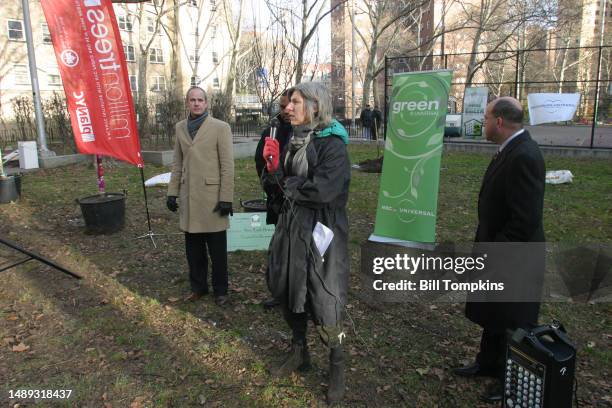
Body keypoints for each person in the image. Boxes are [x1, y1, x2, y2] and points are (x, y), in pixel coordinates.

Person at [261, 82, 351, 405]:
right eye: (289, 103)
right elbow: (283, 187)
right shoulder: (295, 139)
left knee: (325, 299)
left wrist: (288, 182)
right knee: (286, 288)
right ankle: (299, 352)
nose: (288, 107)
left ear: (315, 105)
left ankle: (336, 362)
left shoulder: (333, 145)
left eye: (295, 102)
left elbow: (323, 191)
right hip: (291, 227)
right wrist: (271, 170)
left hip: (321, 232)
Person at [453, 97, 545, 403]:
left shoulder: (524, 156)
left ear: (500, 122)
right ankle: (487, 363)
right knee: (493, 312)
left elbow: (526, 219)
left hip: (514, 256)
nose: (484, 123)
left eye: (487, 117)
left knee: (512, 320)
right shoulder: (508, 150)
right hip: (497, 247)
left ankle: (511, 381)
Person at [166, 86, 235, 306]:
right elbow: (177, 162)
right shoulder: (180, 128)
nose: (196, 103)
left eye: (200, 100)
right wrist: (172, 192)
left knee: (217, 251)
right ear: (187, 103)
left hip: (212, 199)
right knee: (193, 250)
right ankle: (198, 287)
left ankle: (221, 290)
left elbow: (227, 166)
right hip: (189, 198)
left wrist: (226, 198)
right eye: (192, 100)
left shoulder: (220, 128)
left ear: (206, 103)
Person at [255, 92, 293, 310]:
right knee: (279, 249)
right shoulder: (272, 129)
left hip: (298, 200)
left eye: (291, 104)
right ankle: (280, 293)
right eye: (282, 105)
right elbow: (260, 160)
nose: (286, 109)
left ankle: (300, 295)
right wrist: (269, 183)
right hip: (277, 197)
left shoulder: (307, 131)